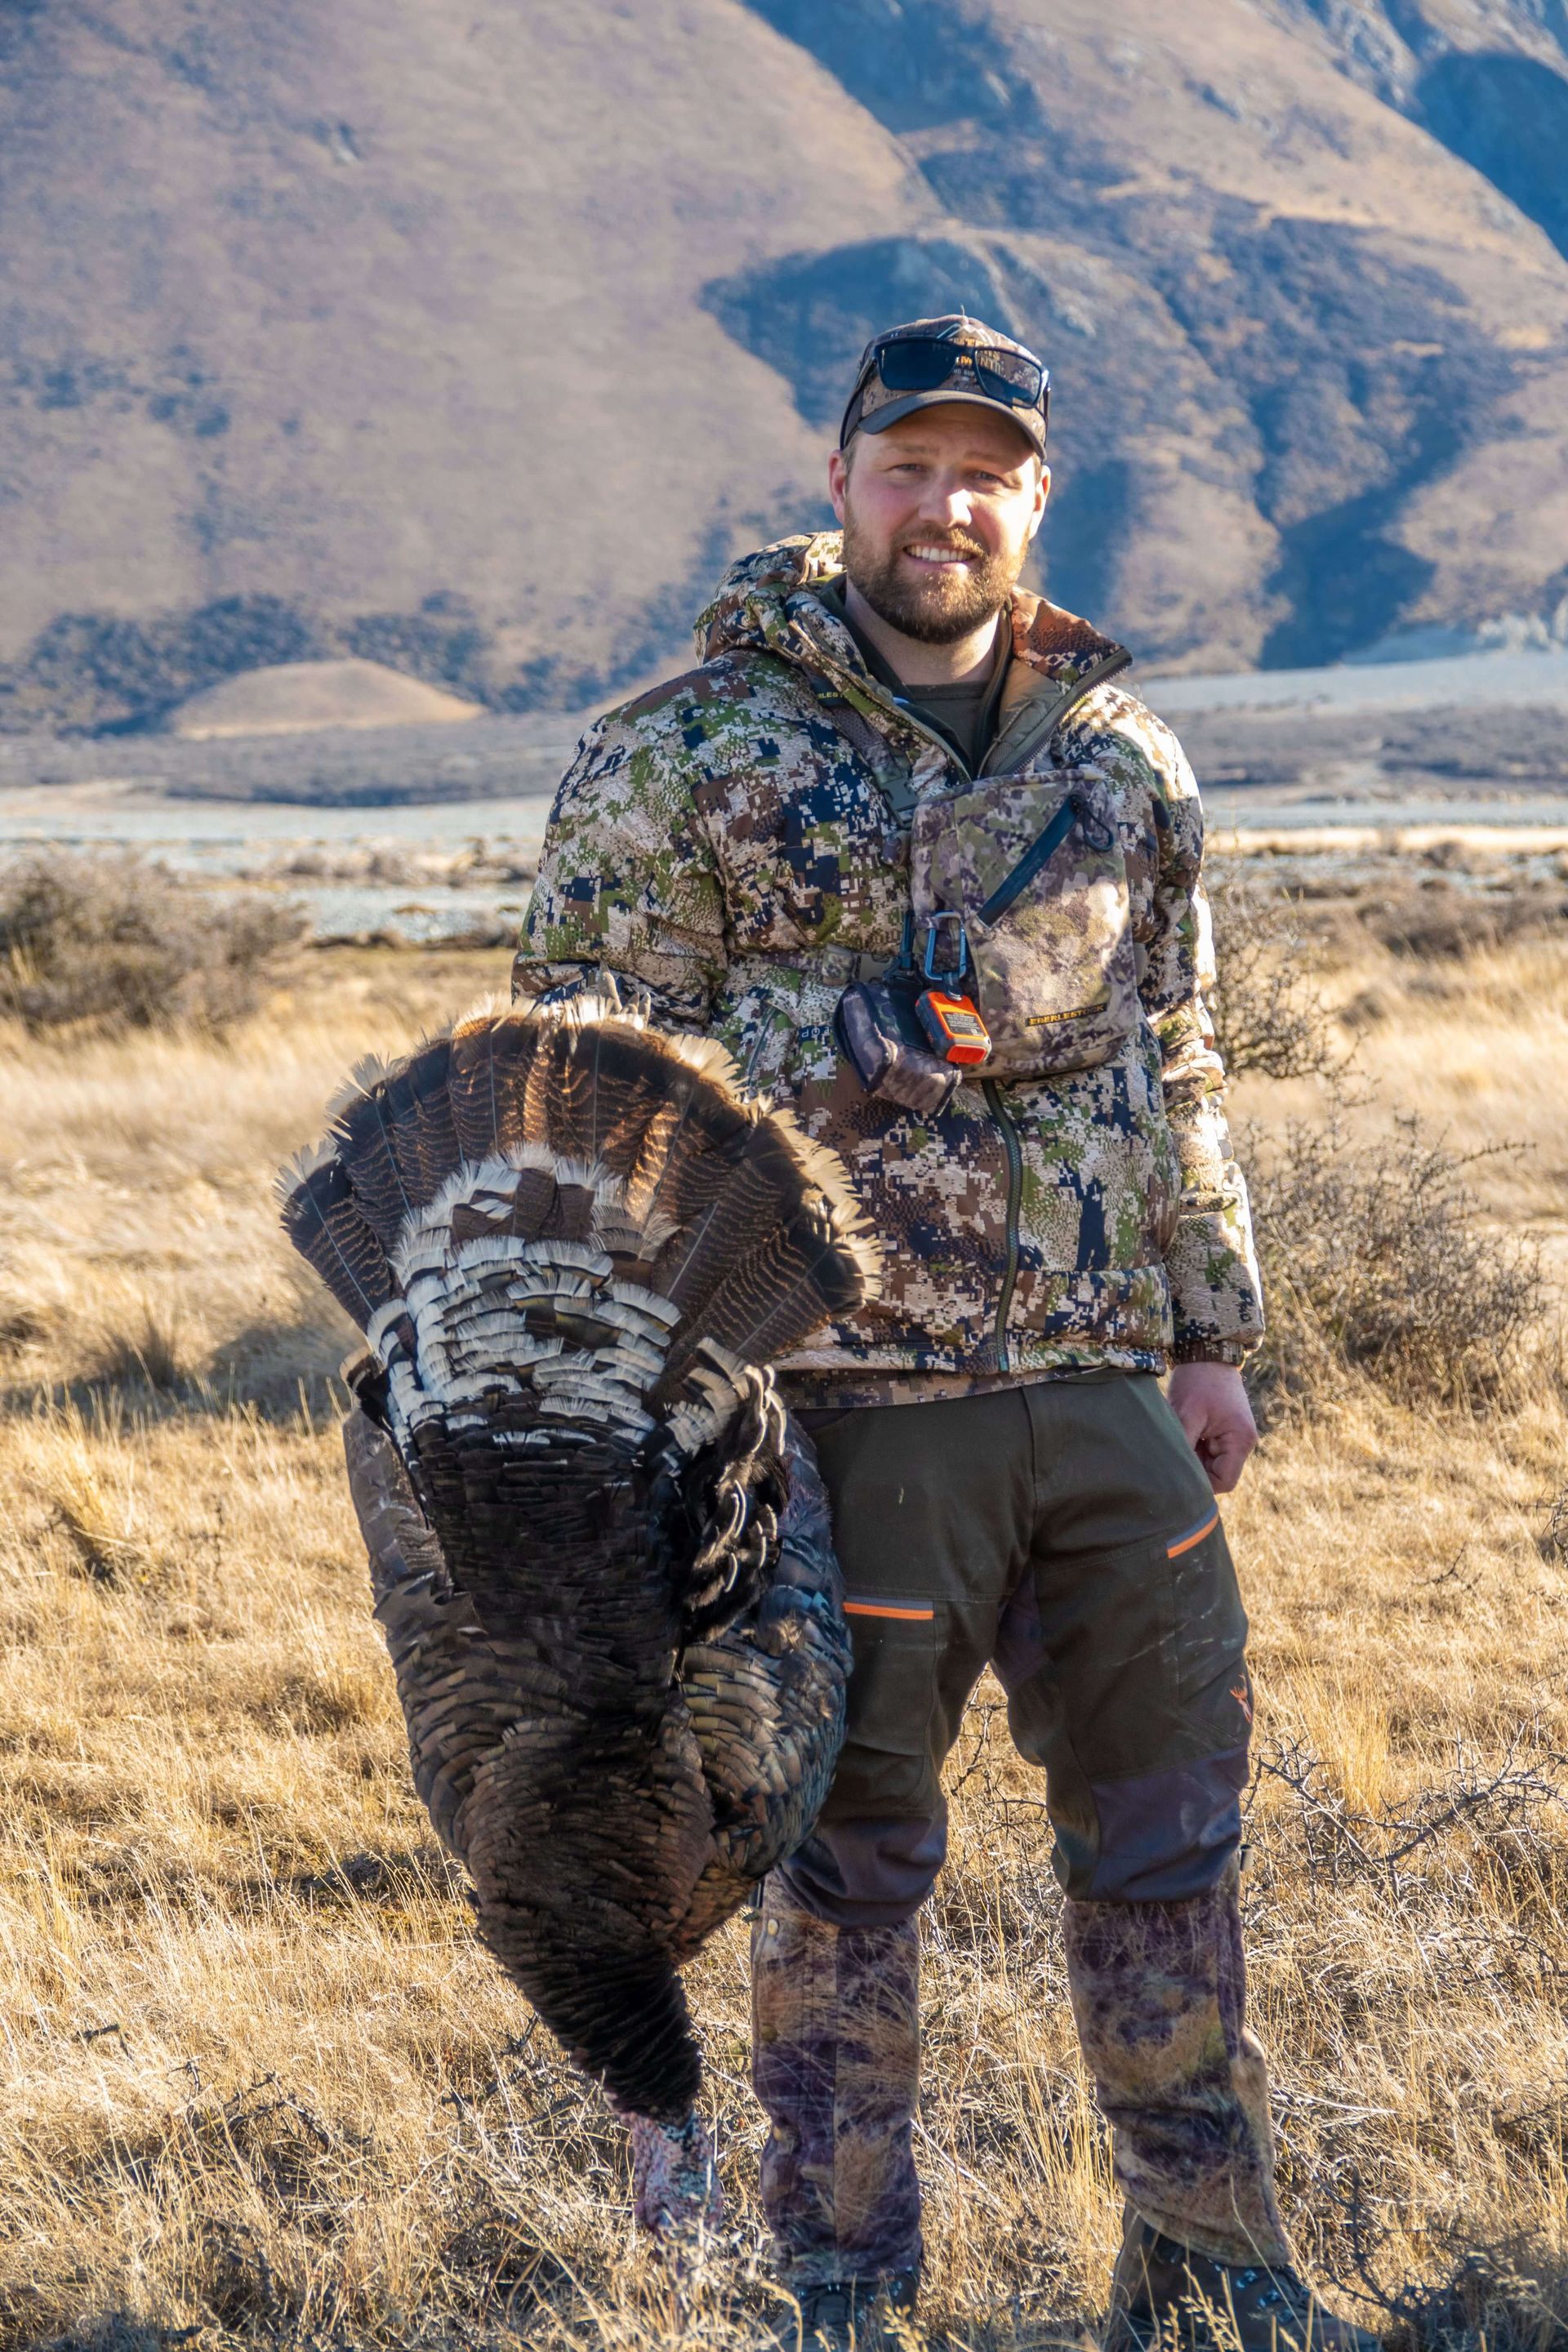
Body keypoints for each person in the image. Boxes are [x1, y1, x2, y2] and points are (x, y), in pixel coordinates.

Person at [512, 317, 1375, 2352]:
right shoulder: (687, 751)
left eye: (988, 470)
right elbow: (572, 1071)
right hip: (831, 1414)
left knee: (1172, 1841)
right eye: (910, 464)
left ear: (1038, 500)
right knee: (850, 1872)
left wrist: (1210, 1331)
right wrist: (840, 1052)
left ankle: (1214, 2275)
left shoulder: (1116, 759)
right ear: (838, 477)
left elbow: (1177, 1057)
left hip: (1096, 1401)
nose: (946, 504)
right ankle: (836, 2291)